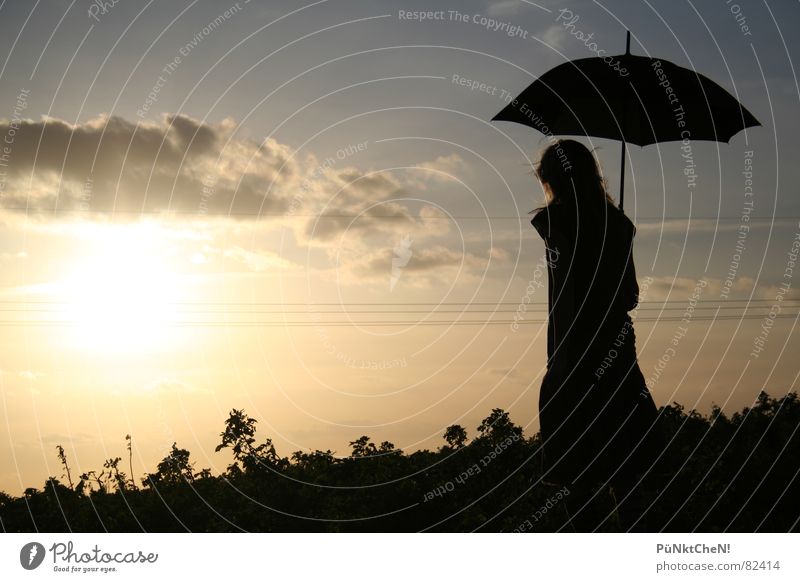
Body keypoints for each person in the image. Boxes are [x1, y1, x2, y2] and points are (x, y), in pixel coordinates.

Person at [530, 139, 661, 531]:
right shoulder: (617, 224)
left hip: (571, 355)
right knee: (627, 471)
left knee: (575, 477)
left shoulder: (554, 223)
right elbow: (631, 295)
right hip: (616, 351)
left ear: (550, 179)